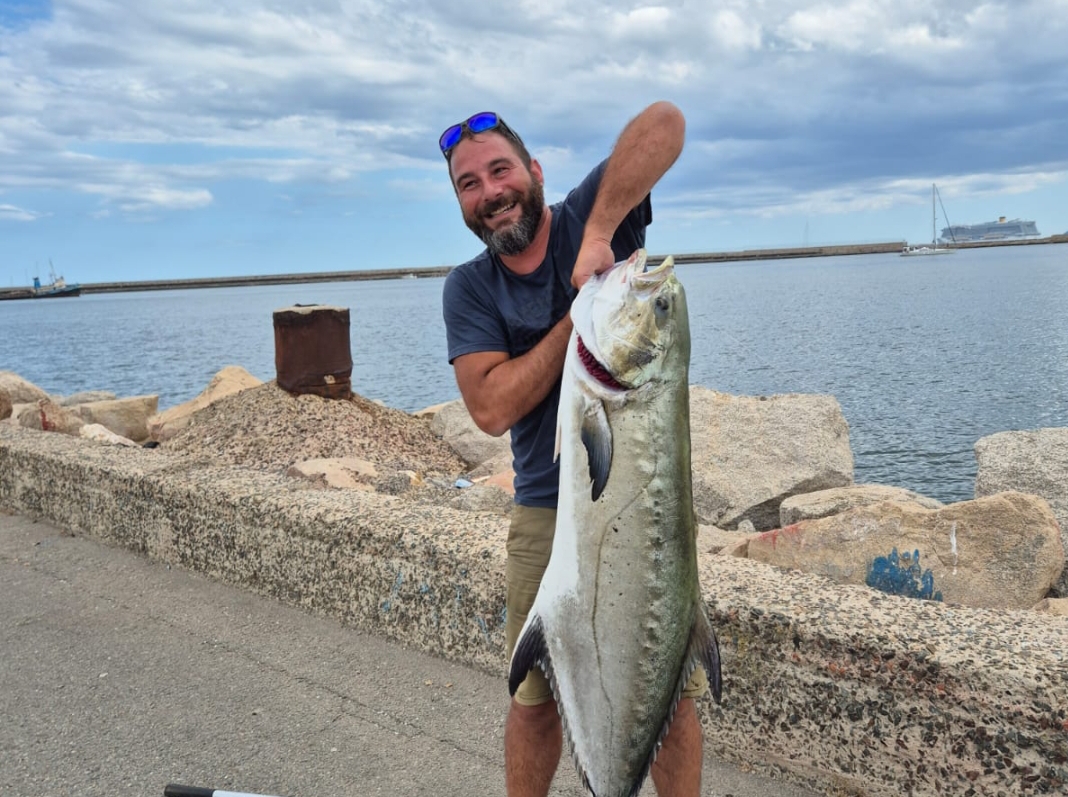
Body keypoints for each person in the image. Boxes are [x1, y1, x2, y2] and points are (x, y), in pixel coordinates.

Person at [440, 102, 707, 797]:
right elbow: (491, 406)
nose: (490, 191)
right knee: (532, 702)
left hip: (646, 519)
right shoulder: (470, 287)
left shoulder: (592, 211)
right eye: (469, 184)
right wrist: (581, 323)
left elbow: (666, 125)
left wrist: (596, 235)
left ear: (533, 171)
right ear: (462, 203)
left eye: (500, 170)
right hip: (543, 513)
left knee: (669, 697)